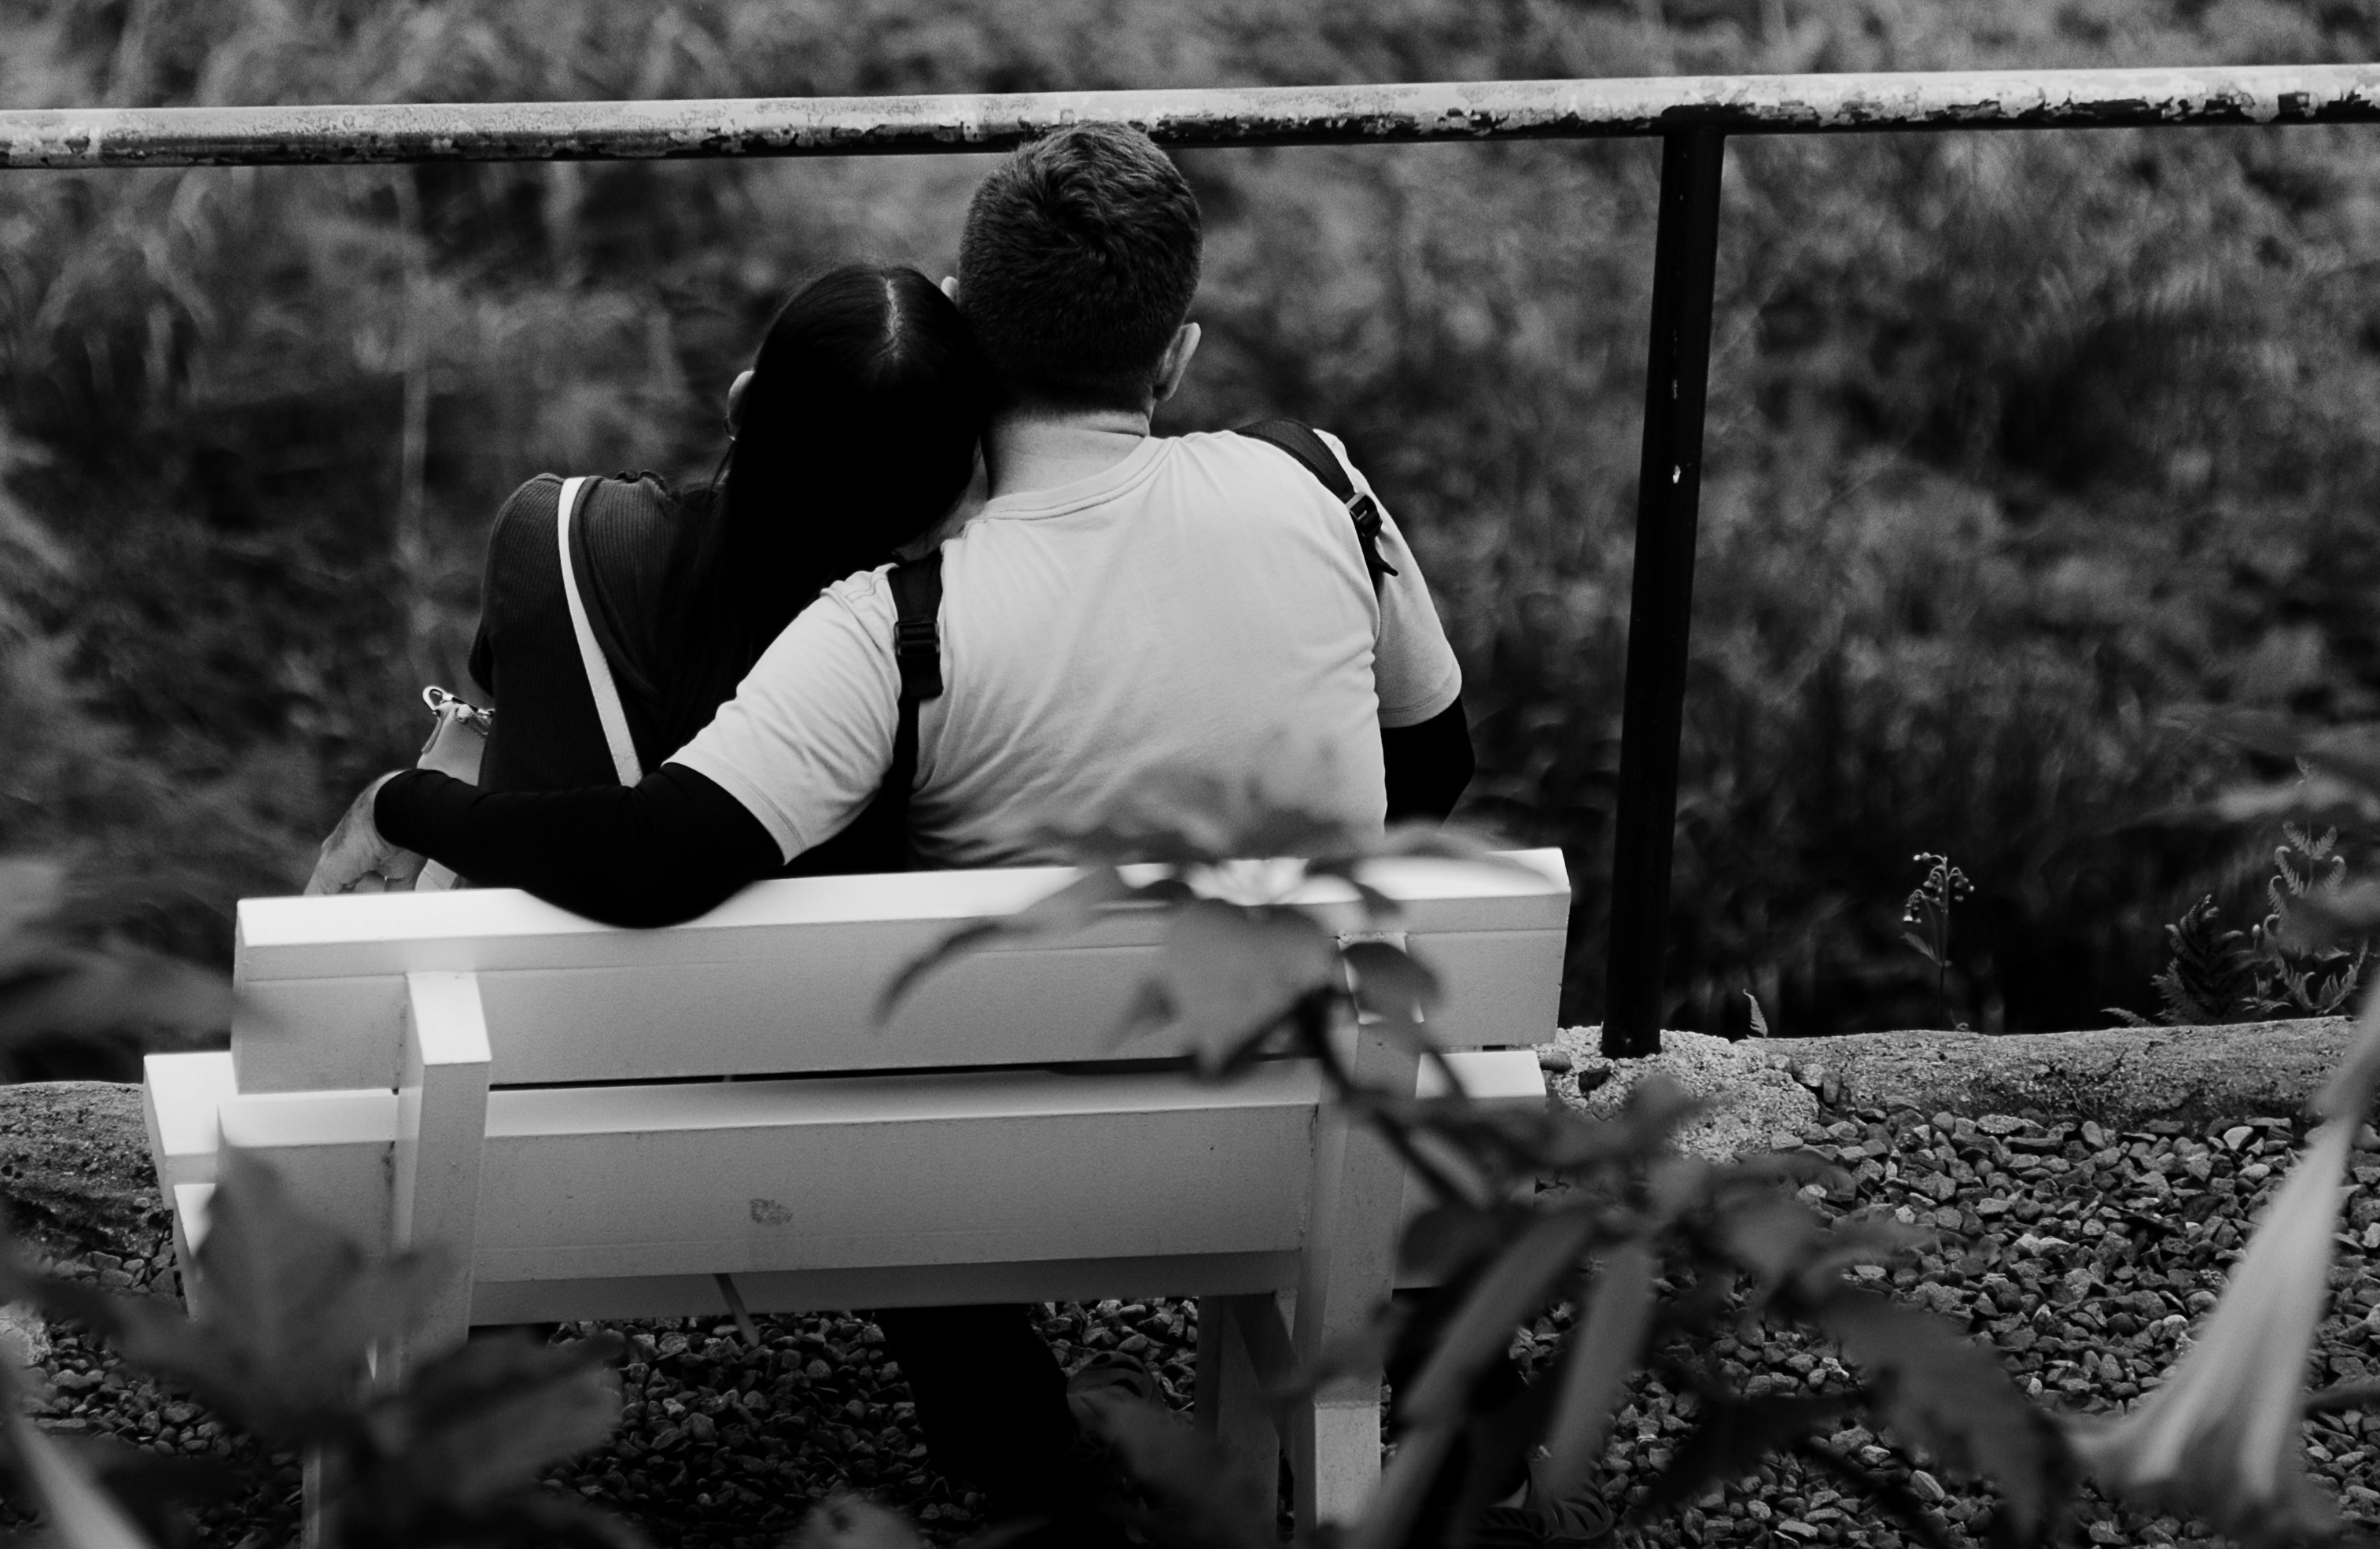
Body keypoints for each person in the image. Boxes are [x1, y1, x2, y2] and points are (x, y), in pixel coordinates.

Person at [332, 122, 1504, 1539]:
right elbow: (1432, 765)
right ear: (1178, 355)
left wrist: (410, 791)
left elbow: (653, 860)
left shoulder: (900, 624)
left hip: (970, 1180)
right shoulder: (1318, 481)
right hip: (1287, 1125)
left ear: (968, 332)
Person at [307, 262, 995, 895]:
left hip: (521, 1017)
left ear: (741, 404)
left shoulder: (555, 535)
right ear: (950, 492)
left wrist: (398, 804)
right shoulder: (949, 659)